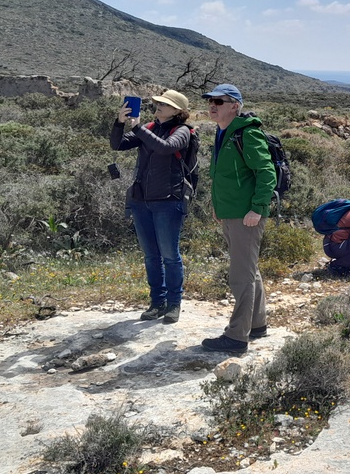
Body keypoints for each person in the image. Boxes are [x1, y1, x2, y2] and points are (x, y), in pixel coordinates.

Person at [200, 84, 277, 353]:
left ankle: (235, 338)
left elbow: (267, 174)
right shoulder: (224, 133)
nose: (212, 105)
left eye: (219, 101)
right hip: (231, 213)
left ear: (235, 105)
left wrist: (257, 208)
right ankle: (256, 325)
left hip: (246, 216)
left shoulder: (247, 133)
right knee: (249, 270)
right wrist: (218, 207)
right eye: (210, 101)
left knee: (240, 276)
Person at [110, 89, 194, 324]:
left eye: (164, 104)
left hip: (168, 201)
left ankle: (173, 303)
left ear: (178, 111)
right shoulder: (148, 128)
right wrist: (119, 123)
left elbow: (166, 148)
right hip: (141, 201)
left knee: (169, 255)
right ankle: (157, 302)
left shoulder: (183, 132)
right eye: (157, 103)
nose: (158, 106)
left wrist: (137, 128)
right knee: (151, 256)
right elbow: (117, 145)